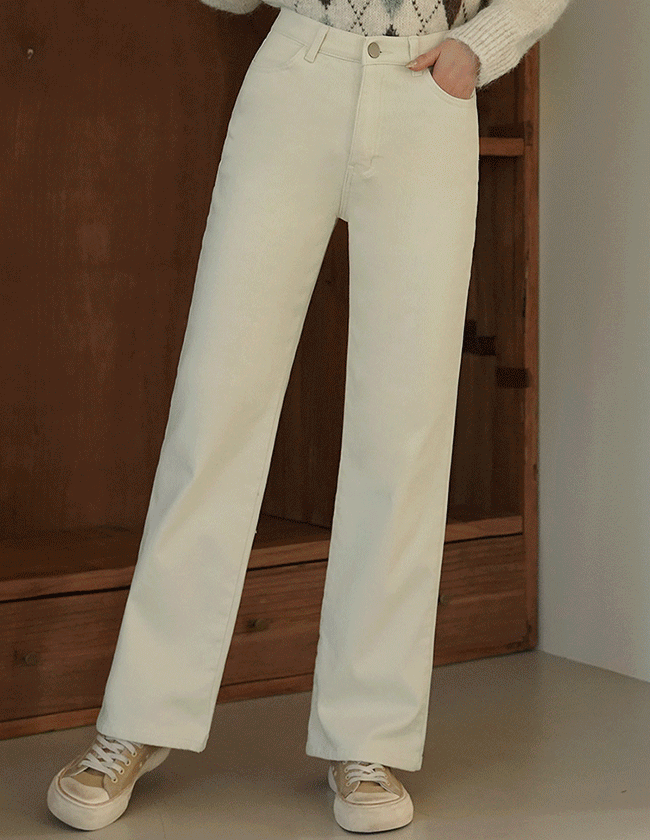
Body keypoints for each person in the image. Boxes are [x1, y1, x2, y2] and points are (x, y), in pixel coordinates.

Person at [46, 0, 571, 832]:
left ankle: (369, 737)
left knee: (405, 425)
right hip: (298, 75)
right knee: (216, 406)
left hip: (428, 88)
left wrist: (479, 46)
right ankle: (137, 718)